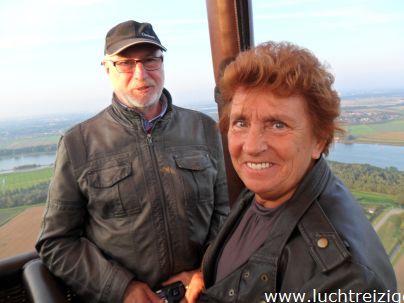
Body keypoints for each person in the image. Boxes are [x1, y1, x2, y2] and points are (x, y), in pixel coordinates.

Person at [35, 20, 229, 303]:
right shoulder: (79, 143)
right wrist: (122, 289)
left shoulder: (202, 129)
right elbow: (56, 241)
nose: (141, 74)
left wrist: (204, 270)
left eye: (151, 61)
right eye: (126, 63)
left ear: (162, 63)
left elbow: (225, 212)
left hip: (202, 294)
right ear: (107, 68)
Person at [196, 41, 397, 302]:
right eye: (241, 123)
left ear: (319, 140)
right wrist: (208, 280)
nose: (252, 146)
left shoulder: (346, 281)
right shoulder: (265, 192)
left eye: (278, 124)